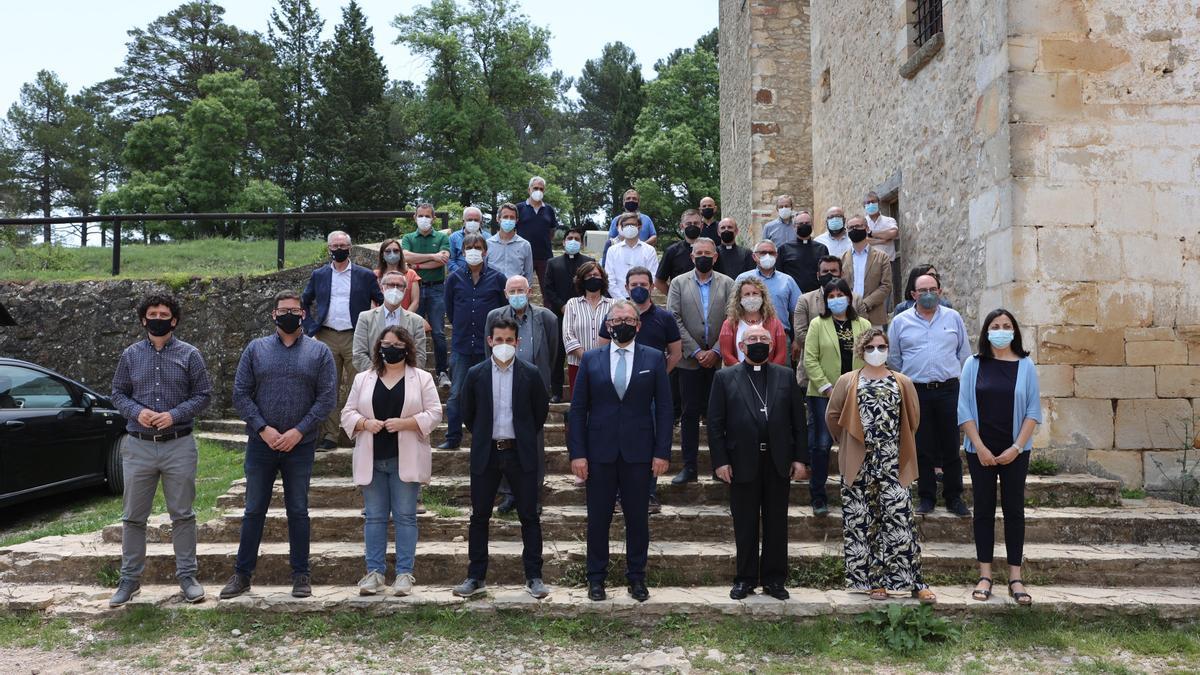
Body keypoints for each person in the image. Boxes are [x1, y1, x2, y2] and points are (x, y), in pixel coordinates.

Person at [222, 291, 337, 600]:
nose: (290, 314)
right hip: (261, 444)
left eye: (295, 310)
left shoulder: (320, 352)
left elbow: (327, 398)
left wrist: (298, 432)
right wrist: (264, 429)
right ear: (273, 314)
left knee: (298, 510)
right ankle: (242, 575)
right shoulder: (255, 349)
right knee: (253, 509)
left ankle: (301, 575)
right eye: (283, 310)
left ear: (303, 315)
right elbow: (241, 393)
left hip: (300, 445)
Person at [108, 294, 213, 607]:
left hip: (178, 444)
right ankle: (129, 580)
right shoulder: (130, 355)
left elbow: (203, 395)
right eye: (152, 313)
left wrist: (174, 414)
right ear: (143, 320)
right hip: (139, 445)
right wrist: (137, 412)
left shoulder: (190, 354)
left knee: (182, 515)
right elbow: (117, 393)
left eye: (164, 313)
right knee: (133, 517)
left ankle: (187, 577)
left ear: (174, 320)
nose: (157, 317)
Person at [568, 300, 673, 602]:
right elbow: (578, 410)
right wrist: (578, 454)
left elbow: (664, 409)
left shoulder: (653, 358)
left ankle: (637, 578)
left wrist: (662, 452)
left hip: (639, 454)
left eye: (628, 319)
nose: (621, 323)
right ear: (608, 325)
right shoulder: (591, 359)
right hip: (598, 453)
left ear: (638, 325)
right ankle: (596, 578)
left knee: (637, 519)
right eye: (616, 320)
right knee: (598, 518)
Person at [827, 329, 935, 605]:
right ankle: (875, 583)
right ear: (861, 351)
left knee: (901, 519)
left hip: (892, 461)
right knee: (863, 523)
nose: (877, 350)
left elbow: (914, 418)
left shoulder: (902, 381)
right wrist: (847, 442)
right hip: (859, 462)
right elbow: (833, 414)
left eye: (882, 346)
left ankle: (914, 581)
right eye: (872, 346)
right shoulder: (848, 381)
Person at [708, 324, 809, 600]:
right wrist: (720, 461)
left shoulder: (786, 376)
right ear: (741, 346)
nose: (758, 342)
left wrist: (800, 459)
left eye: (763, 338)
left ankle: (775, 579)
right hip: (741, 461)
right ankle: (745, 578)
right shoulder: (725, 377)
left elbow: (799, 424)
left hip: (778, 461)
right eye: (752, 338)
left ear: (772, 345)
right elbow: (715, 425)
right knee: (745, 522)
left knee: (777, 522)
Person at [454, 318, 551, 599]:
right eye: (499, 340)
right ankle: (475, 576)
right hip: (487, 452)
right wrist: (487, 436)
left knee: (529, 516)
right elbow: (468, 414)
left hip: (520, 452)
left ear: (517, 343)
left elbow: (539, 413)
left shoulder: (531, 374)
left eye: (510, 340)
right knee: (479, 517)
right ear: (490, 342)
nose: (504, 345)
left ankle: (534, 576)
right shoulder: (476, 374)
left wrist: (518, 435)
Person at [340, 326, 441, 597]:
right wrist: (364, 422)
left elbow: (435, 413)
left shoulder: (421, 378)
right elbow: (347, 413)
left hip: (404, 459)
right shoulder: (363, 378)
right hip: (372, 459)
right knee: (374, 518)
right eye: (385, 344)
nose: (390, 348)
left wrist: (407, 423)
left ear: (407, 348)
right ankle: (374, 573)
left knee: (406, 517)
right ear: (378, 347)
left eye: (396, 344)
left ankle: (405, 574)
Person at [958, 309, 1041, 606]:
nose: (1001, 330)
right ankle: (985, 574)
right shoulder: (972, 364)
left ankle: (1015, 577)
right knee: (982, 510)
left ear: (1015, 331)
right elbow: (964, 409)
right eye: (995, 326)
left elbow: (1033, 411)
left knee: (1014, 510)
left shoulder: (1026, 365)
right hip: (979, 450)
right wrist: (979, 446)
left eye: (1007, 326)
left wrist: (1016, 448)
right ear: (986, 331)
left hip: (1015, 451)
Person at [597, 266, 683, 513]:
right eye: (633, 284)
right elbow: (602, 348)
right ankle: (615, 495)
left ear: (652, 287)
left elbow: (675, 353)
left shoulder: (664, 318)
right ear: (625, 288)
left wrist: (652, 377)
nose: (638, 288)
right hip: (616, 390)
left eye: (643, 284)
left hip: (650, 393)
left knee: (650, 439)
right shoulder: (615, 314)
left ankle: (649, 493)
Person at [888, 273, 972, 517]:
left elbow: (963, 353)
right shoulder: (900, 322)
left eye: (932, 289)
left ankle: (954, 496)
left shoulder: (953, 318)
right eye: (922, 290)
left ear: (940, 291)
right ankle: (926, 497)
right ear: (913, 294)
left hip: (948, 389)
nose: (928, 294)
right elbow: (894, 359)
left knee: (950, 445)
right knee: (922, 446)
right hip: (917, 391)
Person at [302, 230, 384, 450]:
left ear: (350, 247)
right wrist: (310, 327)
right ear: (329, 248)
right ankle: (330, 435)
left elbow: (381, 302)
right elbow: (303, 302)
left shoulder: (365, 275)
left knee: (359, 385)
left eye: (343, 245)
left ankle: (358, 433)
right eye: (335, 246)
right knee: (329, 386)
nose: (339, 249)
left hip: (355, 336)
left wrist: (373, 328)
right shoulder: (319, 275)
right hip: (326, 335)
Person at [485, 275, 558, 512]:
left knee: (532, 442)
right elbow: (489, 353)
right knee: (504, 440)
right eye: (512, 291)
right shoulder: (494, 317)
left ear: (529, 292)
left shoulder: (546, 317)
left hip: (533, 388)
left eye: (521, 290)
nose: (517, 294)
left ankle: (532, 493)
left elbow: (553, 352)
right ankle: (508, 493)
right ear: (505, 294)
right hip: (502, 384)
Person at [668, 238, 735, 484]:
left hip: (719, 361)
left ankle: (720, 467)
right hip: (689, 361)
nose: (703, 256)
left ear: (715, 257)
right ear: (692, 256)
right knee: (689, 414)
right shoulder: (678, 283)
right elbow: (673, 317)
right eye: (699, 253)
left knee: (718, 414)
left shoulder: (728, 283)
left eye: (708, 253)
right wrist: (696, 351)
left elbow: (732, 318)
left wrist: (716, 350)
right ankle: (689, 467)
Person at [804, 279, 872, 516]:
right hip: (824, 394)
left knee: (854, 444)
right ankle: (818, 496)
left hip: (856, 392)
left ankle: (854, 493)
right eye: (830, 296)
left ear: (849, 297)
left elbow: (870, 357)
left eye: (839, 294)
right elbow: (809, 359)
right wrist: (829, 390)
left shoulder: (863, 324)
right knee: (821, 445)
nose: (836, 299)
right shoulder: (817, 324)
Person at [438, 233, 509, 450]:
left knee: (491, 394)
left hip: (489, 348)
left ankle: (490, 438)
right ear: (463, 252)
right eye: (469, 248)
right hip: (461, 345)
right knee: (457, 393)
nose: (474, 251)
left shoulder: (498, 278)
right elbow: (449, 310)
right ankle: (453, 437)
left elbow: (504, 312)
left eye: (478, 247)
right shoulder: (454, 278)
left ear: (485, 251)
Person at [402, 204, 452, 390]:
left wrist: (417, 265)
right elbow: (405, 256)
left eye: (427, 216)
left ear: (434, 218)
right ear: (415, 217)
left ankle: (442, 372)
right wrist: (432, 256)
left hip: (436, 289)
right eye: (420, 215)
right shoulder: (408, 238)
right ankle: (409, 369)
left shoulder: (441, 237)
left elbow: (443, 260)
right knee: (409, 330)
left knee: (438, 332)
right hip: (414, 288)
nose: (424, 219)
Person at [543, 227, 594, 403]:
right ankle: (556, 392)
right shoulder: (553, 263)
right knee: (557, 355)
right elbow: (547, 288)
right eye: (570, 238)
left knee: (583, 351)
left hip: (584, 314)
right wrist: (562, 306)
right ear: (564, 242)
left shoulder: (589, 262)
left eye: (577, 238)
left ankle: (584, 390)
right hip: (559, 314)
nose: (573, 241)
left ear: (581, 242)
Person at [352, 271, 429, 373]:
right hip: (374, 378)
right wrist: (379, 374)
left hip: (405, 380)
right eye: (391, 285)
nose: (395, 289)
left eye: (399, 286)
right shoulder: (365, 318)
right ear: (382, 288)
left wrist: (402, 376)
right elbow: (359, 354)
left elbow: (420, 356)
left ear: (405, 290)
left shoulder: (416, 321)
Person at [562, 262, 616, 404]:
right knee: (580, 403)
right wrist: (587, 357)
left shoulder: (614, 305)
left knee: (605, 402)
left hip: (607, 364)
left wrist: (600, 358)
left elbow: (617, 333)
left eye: (596, 275)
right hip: (578, 364)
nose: (593, 278)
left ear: (602, 278)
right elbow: (568, 335)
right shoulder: (572, 304)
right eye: (588, 275)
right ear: (581, 279)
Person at [736, 240, 802, 340]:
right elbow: (734, 308)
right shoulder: (743, 278)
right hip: (748, 337)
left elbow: (796, 312)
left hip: (780, 336)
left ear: (776, 256)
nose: (767, 256)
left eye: (771, 253)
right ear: (754, 256)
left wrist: (797, 340)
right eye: (763, 253)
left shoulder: (787, 280)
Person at [719, 277, 788, 366]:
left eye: (755, 293)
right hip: (738, 375)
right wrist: (741, 372)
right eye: (747, 294)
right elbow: (726, 354)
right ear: (739, 299)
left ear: (763, 297)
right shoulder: (729, 324)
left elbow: (781, 354)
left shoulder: (775, 323)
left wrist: (771, 373)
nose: (751, 298)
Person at [790, 255, 843, 373]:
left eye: (834, 271)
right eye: (825, 271)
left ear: (841, 274)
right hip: (813, 367)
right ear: (818, 275)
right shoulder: (805, 300)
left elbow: (862, 334)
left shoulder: (855, 300)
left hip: (847, 366)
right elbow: (800, 334)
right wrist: (828, 348)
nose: (829, 274)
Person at [842, 216, 893, 328]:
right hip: (847, 315)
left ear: (867, 228)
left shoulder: (882, 257)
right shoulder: (842, 259)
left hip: (874, 317)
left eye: (858, 226)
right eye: (851, 227)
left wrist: (864, 304)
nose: (854, 229)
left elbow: (886, 286)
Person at [516, 176, 560, 289]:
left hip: (545, 257)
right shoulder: (519, 208)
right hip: (523, 256)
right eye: (535, 188)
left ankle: (547, 308)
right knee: (522, 289)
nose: (538, 191)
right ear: (529, 190)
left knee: (548, 290)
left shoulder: (549, 210)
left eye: (541, 189)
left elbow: (552, 231)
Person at [603, 211, 659, 300]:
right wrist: (622, 301)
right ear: (621, 228)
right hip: (618, 301)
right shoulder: (612, 250)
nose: (629, 227)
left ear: (639, 227)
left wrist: (642, 297)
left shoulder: (649, 250)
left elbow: (653, 276)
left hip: (643, 299)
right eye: (626, 225)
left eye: (633, 224)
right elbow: (609, 280)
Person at [778, 211, 829, 294]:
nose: (804, 225)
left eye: (807, 223)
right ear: (794, 227)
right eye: (801, 223)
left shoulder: (822, 248)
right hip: (792, 295)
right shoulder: (784, 249)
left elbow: (826, 273)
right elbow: (779, 275)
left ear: (812, 225)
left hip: (816, 295)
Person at [655, 209, 702, 294]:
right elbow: (659, 281)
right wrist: (674, 297)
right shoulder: (672, 251)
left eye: (696, 223)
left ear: (701, 226)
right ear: (681, 226)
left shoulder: (710, 249)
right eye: (688, 224)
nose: (692, 226)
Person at [487, 202, 535, 281]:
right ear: (498, 219)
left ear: (516, 220)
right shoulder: (488, 244)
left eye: (512, 217)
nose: (508, 220)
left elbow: (528, 273)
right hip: (493, 290)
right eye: (505, 217)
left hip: (516, 291)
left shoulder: (525, 245)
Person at [375, 238, 421, 311]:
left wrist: (405, 318)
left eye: (396, 251)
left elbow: (415, 302)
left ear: (400, 254)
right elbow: (372, 301)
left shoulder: (411, 274)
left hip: (405, 318)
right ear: (382, 255)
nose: (392, 254)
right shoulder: (375, 275)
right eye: (388, 251)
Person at [448, 207, 486, 276]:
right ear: (464, 221)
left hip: (482, 276)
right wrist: (461, 273)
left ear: (480, 222)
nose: (473, 222)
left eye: (476, 220)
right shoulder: (454, 237)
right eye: (469, 220)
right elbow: (450, 260)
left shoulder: (487, 237)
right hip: (459, 277)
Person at [863, 191, 899, 261]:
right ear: (864, 206)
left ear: (878, 203)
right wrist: (883, 240)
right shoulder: (862, 222)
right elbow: (863, 241)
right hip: (869, 263)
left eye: (873, 202)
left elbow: (893, 234)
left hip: (888, 262)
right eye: (868, 203)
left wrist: (870, 233)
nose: (871, 204)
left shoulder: (889, 220)